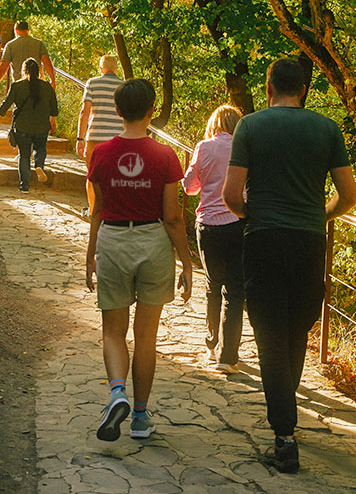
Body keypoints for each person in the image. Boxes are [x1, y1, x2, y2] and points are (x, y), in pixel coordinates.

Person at [222, 58, 356, 473]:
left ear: (269, 87)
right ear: (303, 90)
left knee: (269, 336)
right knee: (296, 328)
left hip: (263, 238)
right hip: (309, 241)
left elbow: (231, 195)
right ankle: (286, 414)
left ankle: (284, 435)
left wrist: (253, 215)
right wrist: (321, 214)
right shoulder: (326, 128)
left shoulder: (249, 126)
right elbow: (349, 195)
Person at [85, 79, 194, 442]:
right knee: (146, 336)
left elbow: (97, 210)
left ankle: (117, 393)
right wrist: (187, 262)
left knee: (113, 331)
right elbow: (173, 217)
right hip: (153, 242)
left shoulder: (99, 154)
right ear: (152, 111)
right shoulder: (165, 156)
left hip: (113, 239)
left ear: (117, 111)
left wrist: (90, 257)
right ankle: (141, 419)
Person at [182, 104, 245, 374]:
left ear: (215, 124)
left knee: (212, 285)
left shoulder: (204, 146)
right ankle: (228, 357)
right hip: (238, 224)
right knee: (234, 290)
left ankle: (211, 343)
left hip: (207, 225)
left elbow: (189, 186)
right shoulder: (245, 149)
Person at [0, 58, 58, 193]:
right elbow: (54, 108)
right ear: (38, 72)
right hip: (41, 126)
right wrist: (53, 121)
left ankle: (24, 186)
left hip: (22, 126)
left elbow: (6, 103)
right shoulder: (47, 87)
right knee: (40, 148)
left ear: (24, 71)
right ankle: (39, 165)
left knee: (24, 155)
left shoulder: (17, 86)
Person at [76, 55, 123, 214]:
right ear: (116, 69)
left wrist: (80, 138)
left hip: (95, 137)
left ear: (101, 69)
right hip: (117, 139)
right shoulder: (123, 86)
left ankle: (92, 211)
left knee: (93, 176)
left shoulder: (92, 83)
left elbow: (85, 112)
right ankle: (112, 211)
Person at [0, 20, 56, 94]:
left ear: (16, 30)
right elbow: (47, 62)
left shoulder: (10, 45)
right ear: (28, 30)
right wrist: (52, 80)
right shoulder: (39, 43)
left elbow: (4, 65)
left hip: (19, 84)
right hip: (37, 83)